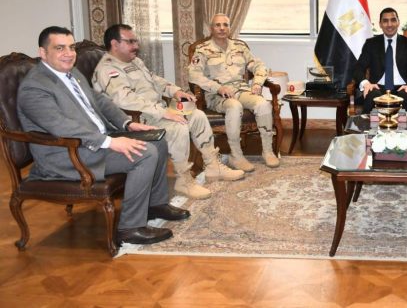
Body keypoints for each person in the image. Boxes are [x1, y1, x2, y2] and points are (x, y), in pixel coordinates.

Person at [17, 26, 190, 246]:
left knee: (157, 140)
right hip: (67, 154)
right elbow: (61, 126)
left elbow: (99, 101)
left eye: (71, 47)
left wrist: (127, 123)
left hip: (92, 141)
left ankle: (155, 205)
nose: (69, 54)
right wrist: (109, 142)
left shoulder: (71, 72)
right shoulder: (34, 87)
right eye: (60, 48)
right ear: (43, 52)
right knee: (144, 154)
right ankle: (130, 228)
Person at [93, 24, 244, 200]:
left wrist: (175, 91)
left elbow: (155, 80)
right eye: (130, 41)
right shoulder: (108, 69)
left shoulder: (135, 61)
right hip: (135, 121)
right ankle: (183, 180)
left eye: (135, 41)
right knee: (178, 127)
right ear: (115, 44)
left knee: (198, 116)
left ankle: (213, 166)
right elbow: (125, 100)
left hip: (154, 113)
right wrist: (163, 113)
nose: (136, 45)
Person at [188, 13, 278, 170]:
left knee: (263, 104)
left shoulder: (239, 47)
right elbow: (193, 75)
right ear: (211, 28)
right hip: (217, 95)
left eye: (225, 25)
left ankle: (268, 151)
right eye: (218, 25)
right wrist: (218, 88)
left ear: (230, 28)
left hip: (241, 90)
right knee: (234, 106)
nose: (222, 28)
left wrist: (257, 83)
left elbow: (259, 66)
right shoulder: (202, 50)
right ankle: (236, 156)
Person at [353, 7, 407, 114]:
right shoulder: (371, 44)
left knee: (405, 96)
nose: (389, 24)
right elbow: (358, 69)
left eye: (393, 20)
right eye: (385, 21)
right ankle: (369, 125)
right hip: (377, 88)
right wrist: (366, 83)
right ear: (380, 24)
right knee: (372, 95)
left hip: (403, 88)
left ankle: (405, 125)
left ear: (398, 22)